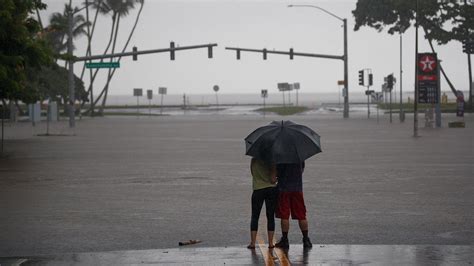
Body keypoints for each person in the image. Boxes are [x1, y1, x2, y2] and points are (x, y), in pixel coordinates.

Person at [274, 161, 312, 249]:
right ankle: (306, 239)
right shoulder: (299, 156)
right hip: (297, 188)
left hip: (284, 188)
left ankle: (285, 239)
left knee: (284, 215)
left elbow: (277, 173)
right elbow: (302, 169)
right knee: (301, 215)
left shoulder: (281, 156)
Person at [247, 158, 278, 249]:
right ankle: (271, 243)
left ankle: (253, 243)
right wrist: (276, 178)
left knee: (255, 216)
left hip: (257, 189)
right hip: (270, 190)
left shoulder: (254, 160)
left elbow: (253, 173)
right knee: (270, 216)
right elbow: (272, 179)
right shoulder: (271, 160)